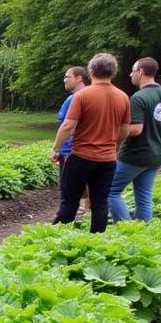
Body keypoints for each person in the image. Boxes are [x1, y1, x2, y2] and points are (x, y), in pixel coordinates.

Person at [51, 52, 130, 234]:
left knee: (69, 203)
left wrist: (56, 149)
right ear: (113, 72)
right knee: (100, 204)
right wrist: (113, 146)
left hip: (81, 157)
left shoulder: (82, 96)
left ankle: (53, 239)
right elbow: (124, 130)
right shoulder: (122, 97)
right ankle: (96, 240)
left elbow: (68, 126)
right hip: (107, 161)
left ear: (91, 70)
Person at [108, 57, 161, 224]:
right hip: (156, 155)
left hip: (135, 155)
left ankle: (126, 228)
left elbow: (136, 129)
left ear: (140, 72)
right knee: (144, 197)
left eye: (133, 70)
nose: (130, 74)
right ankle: (143, 232)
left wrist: (112, 134)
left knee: (110, 190)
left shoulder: (138, 98)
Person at [56, 65, 91, 214]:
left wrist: (57, 148)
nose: (64, 80)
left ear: (79, 78)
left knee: (69, 188)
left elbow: (67, 126)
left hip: (71, 151)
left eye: (67, 76)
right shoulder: (90, 96)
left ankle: (70, 218)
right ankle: (86, 212)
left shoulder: (75, 98)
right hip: (86, 150)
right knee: (87, 185)